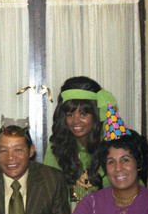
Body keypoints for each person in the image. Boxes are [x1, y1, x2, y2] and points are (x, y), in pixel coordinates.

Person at [43, 76, 117, 204]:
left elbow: (131, 192)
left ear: (97, 114)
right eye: (70, 114)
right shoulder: (57, 145)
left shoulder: (113, 144)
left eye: (83, 114)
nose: (76, 121)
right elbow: (48, 193)